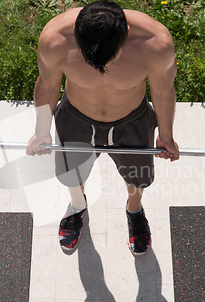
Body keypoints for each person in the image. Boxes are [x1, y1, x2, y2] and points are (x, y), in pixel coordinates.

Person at [26, 0, 179, 255]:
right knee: (71, 173)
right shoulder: (55, 39)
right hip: (76, 117)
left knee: (137, 176)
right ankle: (77, 206)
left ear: (125, 37)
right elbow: (48, 85)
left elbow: (163, 92)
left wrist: (166, 136)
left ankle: (134, 209)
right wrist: (42, 130)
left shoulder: (155, 44)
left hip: (132, 120)